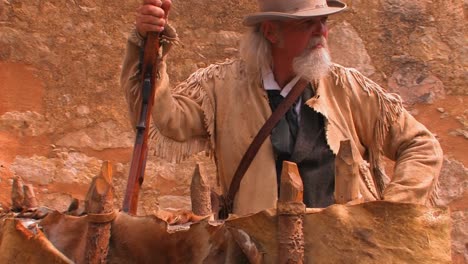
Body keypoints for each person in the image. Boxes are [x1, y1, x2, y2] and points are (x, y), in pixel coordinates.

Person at [121, 0, 443, 216]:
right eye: (307, 24)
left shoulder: (347, 88)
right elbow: (163, 117)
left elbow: (421, 144)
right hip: (258, 251)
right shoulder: (220, 87)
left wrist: (393, 208)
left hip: (345, 251)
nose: (322, 32)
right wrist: (147, 44)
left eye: (323, 22)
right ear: (271, 31)